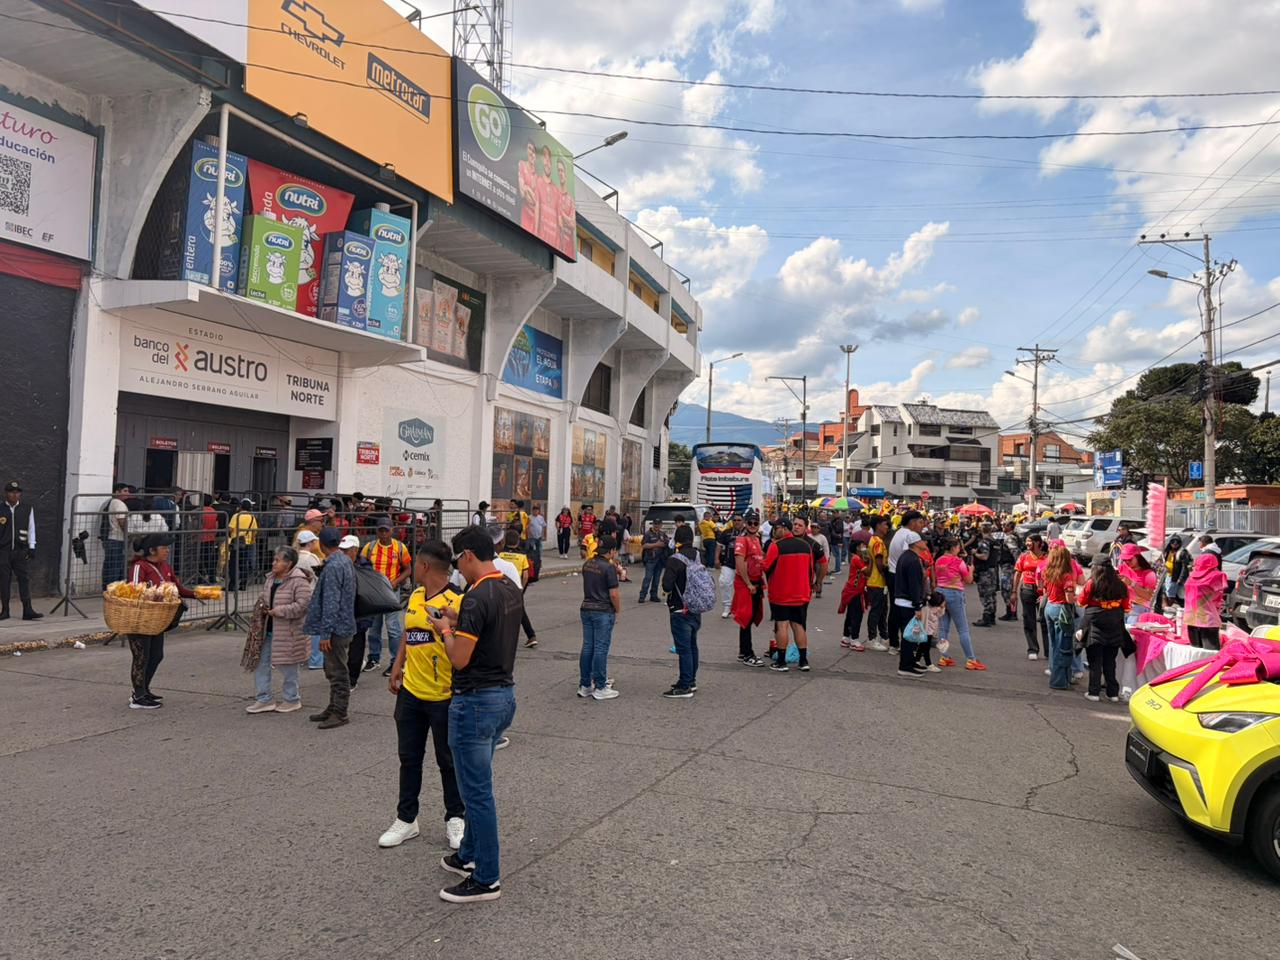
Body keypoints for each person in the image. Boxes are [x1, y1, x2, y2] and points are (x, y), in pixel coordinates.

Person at [433, 525, 521, 904]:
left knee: (477, 794)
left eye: (458, 560)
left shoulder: (475, 596)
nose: (457, 568)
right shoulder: (508, 587)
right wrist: (459, 619)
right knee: (475, 784)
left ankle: (486, 877)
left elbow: (459, 657)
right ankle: (468, 854)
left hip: (475, 700)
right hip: (503, 695)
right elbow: (489, 630)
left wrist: (444, 629)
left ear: (468, 555)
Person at [380, 539, 467, 852]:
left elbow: (466, 647)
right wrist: (397, 665)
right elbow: (407, 633)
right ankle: (406, 819)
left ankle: (456, 818)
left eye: (415, 563)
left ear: (426, 567)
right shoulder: (416, 595)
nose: (412, 568)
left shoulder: (457, 601)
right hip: (411, 694)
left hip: (445, 695)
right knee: (409, 758)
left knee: (449, 761)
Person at [124, 533, 198, 709]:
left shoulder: (165, 566)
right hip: (139, 619)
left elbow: (178, 589)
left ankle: (144, 689)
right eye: (164, 547)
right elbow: (134, 590)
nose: (167, 550)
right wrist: (158, 594)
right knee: (141, 657)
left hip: (157, 620)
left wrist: (199, 593)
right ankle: (138, 696)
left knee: (156, 656)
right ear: (152, 550)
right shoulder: (139, 567)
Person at [247, 546, 313, 714]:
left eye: (278, 560)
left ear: (289, 563)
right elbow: (265, 596)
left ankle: (292, 699)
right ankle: (264, 698)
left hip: (288, 632)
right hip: (268, 629)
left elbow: (303, 605)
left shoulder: (300, 581)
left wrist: (280, 611)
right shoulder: (270, 579)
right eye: (274, 559)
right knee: (261, 663)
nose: (273, 563)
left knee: (288, 666)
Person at [304, 527, 357, 730]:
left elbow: (332, 602)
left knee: (337, 671)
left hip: (336, 628)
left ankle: (340, 711)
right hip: (342, 624)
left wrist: (325, 632)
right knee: (333, 669)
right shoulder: (343, 561)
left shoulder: (334, 566)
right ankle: (333, 706)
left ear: (322, 544)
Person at [763, 517, 814, 673]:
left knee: (782, 625)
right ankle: (803, 660)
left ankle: (781, 661)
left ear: (784, 528)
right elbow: (810, 570)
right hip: (802, 593)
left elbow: (766, 566)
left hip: (781, 593)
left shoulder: (776, 546)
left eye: (776, 527)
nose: (774, 531)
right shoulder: (806, 546)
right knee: (798, 625)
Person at [361, 519, 411, 676]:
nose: (383, 534)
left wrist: (396, 581)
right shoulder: (370, 548)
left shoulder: (400, 548)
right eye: (380, 530)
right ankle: (374, 658)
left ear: (392, 531)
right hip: (374, 593)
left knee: (393, 627)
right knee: (374, 627)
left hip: (391, 591)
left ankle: (396, 661)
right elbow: (362, 567)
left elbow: (408, 569)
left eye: (386, 530)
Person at [1077, 557, 1129, 702]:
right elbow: (1127, 607)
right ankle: (1112, 693)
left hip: (1095, 626)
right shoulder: (1121, 585)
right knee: (1110, 661)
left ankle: (1093, 692)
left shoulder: (1091, 584)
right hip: (1114, 626)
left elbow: (1081, 602)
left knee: (1095, 660)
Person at [661, 525, 703, 697]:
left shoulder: (675, 560)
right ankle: (690, 680)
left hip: (679, 609)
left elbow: (667, 585)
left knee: (683, 648)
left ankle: (684, 686)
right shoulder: (698, 556)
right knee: (692, 646)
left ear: (676, 539)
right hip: (695, 606)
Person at [578, 534, 621, 700]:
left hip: (586, 608)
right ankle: (601, 686)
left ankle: (585, 684)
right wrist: (617, 610)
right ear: (611, 551)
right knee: (601, 648)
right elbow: (614, 594)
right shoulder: (608, 567)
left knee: (588, 646)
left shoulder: (588, 563)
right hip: (603, 610)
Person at [934, 538, 984, 670]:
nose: (959, 550)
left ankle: (944, 656)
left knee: (943, 628)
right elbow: (969, 579)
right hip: (954, 593)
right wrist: (971, 569)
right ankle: (971, 659)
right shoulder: (958, 561)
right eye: (958, 547)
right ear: (953, 548)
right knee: (962, 629)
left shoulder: (938, 560)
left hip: (940, 592)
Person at [0, 480, 41, 620]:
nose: (15, 495)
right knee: (4, 581)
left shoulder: (27, 508)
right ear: (6, 493)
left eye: (17, 492)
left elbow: (31, 529)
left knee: (24, 579)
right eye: (12, 492)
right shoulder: (1, 509)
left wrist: (32, 547)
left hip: (20, 550)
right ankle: (5, 610)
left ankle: (27, 610)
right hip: (3, 551)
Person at [730, 512, 767, 666]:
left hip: (756, 583)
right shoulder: (742, 540)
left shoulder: (757, 539)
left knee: (751, 618)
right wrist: (748, 584)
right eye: (750, 522)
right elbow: (740, 563)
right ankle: (747, 653)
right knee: (745, 618)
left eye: (755, 522)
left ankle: (743, 651)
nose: (753, 525)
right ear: (745, 523)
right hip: (746, 584)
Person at [1041, 544, 1080, 691]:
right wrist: (1080, 596)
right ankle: (1059, 681)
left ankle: (1060, 676)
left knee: (1053, 645)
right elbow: (1069, 598)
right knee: (1063, 647)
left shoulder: (1047, 572)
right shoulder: (1066, 576)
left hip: (1050, 607)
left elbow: (1042, 587)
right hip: (1062, 610)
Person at [892, 531, 930, 680]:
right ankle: (905, 666)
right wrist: (917, 606)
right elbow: (914, 585)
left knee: (908, 634)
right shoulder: (913, 560)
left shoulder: (906, 556)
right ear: (916, 543)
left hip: (902, 600)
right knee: (909, 636)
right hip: (908, 602)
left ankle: (910, 662)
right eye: (923, 541)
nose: (925, 543)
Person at [498, 529, 538, 648]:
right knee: (520, 612)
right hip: (516, 588)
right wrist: (521, 589)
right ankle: (531, 635)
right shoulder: (522, 556)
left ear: (504, 541)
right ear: (518, 541)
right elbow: (525, 575)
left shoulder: (500, 554)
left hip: (500, 587)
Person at [1013, 535, 1049, 660]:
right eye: (1027, 541)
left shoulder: (1047, 557)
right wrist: (1014, 592)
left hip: (1043, 591)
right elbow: (1017, 574)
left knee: (1045, 620)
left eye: (1030, 541)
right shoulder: (1024, 556)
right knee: (1029, 620)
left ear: (1038, 543)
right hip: (1027, 589)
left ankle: (1048, 651)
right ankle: (1032, 649)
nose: (1027, 543)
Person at [1183, 552, 1229, 649]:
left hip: (1191, 618)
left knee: (1196, 653)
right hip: (1208, 619)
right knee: (1210, 654)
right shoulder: (1217, 576)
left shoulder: (1191, 576)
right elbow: (1220, 595)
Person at [863, 515, 890, 651]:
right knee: (876, 611)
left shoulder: (873, 540)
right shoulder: (878, 542)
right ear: (878, 525)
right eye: (885, 524)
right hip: (877, 582)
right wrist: (886, 576)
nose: (887, 527)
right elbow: (879, 563)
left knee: (882, 611)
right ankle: (872, 638)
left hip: (875, 581)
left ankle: (884, 637)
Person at [838, 539, 868, 652]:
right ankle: (854, 640)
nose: (864, 547)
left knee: (851, 615)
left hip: (851, 590)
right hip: (855, 591)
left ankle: (846, 638)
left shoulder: (855, 558)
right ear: (857, 548)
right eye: (862, 545)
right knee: (857, 615)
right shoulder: (857, 559)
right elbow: (867, 572)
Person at [101, 481, 132, 591]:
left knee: (109, 565)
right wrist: (129, 535)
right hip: (117, 538)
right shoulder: (119, 504)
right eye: (125, 491)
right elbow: (121, 521)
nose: (128, 493)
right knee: (116, 566)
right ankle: (112, 590)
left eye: (128, 491)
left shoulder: (109, 502)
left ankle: (107, 588)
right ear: (116, 492)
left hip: (109, 538)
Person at [1116, 544, 1157, 619]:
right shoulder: (1121, 568)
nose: (1127, 562)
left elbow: (1149, 597)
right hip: (1122, 605)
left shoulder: (1149, 574)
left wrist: (1132, 584)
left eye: (1130, 559)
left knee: (1130, 627)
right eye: (1124, 560)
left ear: (1138, 557)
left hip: (1139, 607)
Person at [970, 523, 999, 628]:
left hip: (985, 571)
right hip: (993, 570)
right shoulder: (995, 542)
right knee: (992, 594)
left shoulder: (984, 542)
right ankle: (991, 616)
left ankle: (986, 617)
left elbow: (984, 556)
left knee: (985, 594)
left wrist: (974, 553)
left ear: (982, 530)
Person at [227, 499, 259, 591]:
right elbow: (255, 531)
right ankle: (243, 584)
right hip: (247, 543)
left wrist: (230, 536)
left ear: (241, 506)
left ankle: (232, 585)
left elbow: (230, 529)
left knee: (233, 564)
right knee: (243, 564)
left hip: (236, 542)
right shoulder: (252, 517)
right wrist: (251, 540)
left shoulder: (236, 516)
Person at [717, 514, 743, 618]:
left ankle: (740, 608)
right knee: (724, 582)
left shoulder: (748, 532)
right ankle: (727, 607)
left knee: (742, 587)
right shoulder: (726, 532)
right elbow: (719, 545)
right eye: (735, 520)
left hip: (743, 564)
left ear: (743, 521)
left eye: (739, 520)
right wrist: (716, 558)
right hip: (728, 563)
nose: (737, 522)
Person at [638, 518, 667, 603]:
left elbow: (667, 542)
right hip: (650, 559)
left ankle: (653, 596)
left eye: (658, 524)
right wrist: (656, 544)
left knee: (657, 579)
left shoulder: (662, 534)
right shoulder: (648, 534)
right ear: (653, 524)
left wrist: (664, 544)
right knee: (648, 578)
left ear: (661, 525)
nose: (657, 525)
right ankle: (642, 596)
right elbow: (644, 545)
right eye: (655, 524)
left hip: (660, 559)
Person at [996, 521, 1020, 621]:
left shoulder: (1010, 538)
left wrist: (1017, 566)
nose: (1003, 527)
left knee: (1007, 590)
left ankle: (1012, 613)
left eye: (1005, 525)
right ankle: (1011, 612)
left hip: (1009, 567)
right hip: (1007, 566)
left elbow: (1015, 552)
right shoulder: (1009, 537)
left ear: (1010, 527)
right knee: (1007, 590)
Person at [1161, 536, 1191, 606]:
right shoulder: (1168, 550)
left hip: (1175, 577)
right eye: (1173, 542)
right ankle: (1166, 607)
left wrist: (1181, 578)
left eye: (1177, 542)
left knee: (1171, 595)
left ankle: (1169, 608)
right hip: (1166, 575)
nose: (1175, 544)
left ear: (1180, 543)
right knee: (1164, 592)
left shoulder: (1182, 552)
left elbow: (1185, 567)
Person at [527, 505, 546, 577]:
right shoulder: (529, 517)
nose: (536, 512)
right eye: (534, 510)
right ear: (532, 511)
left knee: (539, 550)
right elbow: (527, 527)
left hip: (539, 537)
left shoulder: (540, 517)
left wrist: (543, 534)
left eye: (537, 510)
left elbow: (543, 526)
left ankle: (539, 563)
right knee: (532, 550)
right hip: (532, 537)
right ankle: (532, 563)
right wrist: (530, 534)